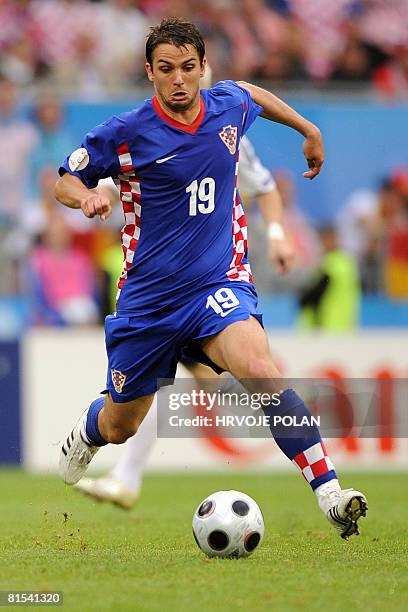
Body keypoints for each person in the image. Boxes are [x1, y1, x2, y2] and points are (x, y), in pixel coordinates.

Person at [55, 18, 367, 539]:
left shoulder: (225, 106)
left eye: (188, 68)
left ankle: (330, 491)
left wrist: (308, 129)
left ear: (202, 68)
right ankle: (90, 431)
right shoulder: (125, 133)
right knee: (121, 424)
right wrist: (86, 195)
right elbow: (66, 178)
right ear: (149, 72)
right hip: (149, 302)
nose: (178, 79)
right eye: (166, 69)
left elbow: (252, 94)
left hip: (216, 285)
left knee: (262, 371)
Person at [74, 133, 289, 507]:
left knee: (192, 380)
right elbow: (110, 178)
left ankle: (127, 476)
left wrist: (276, 234)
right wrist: (94, 195)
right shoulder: (152, 134)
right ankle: (127, 476)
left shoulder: (232, 135)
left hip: (207, 282)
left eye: (192, 71)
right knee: (175, 381)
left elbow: (266, 187)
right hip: (161, 286)